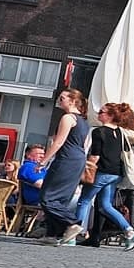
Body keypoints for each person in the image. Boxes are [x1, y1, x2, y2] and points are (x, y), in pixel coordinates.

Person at [72, 102, 134, 249]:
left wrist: (86, 170)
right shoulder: (120, 132)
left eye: (101, 112)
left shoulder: (99, 132)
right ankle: (130, 232)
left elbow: (95, 155)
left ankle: (72, 235)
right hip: (115, 173)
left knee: (84, 201)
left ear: (110, 116)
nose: (98, 114)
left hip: (102, 172)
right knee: (105, 205)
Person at [39, 88, 94, 242]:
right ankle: (52, 234)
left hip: (66, 158)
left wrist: (43, 161)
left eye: (62, 98)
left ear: (72, 101)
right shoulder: (83, 122)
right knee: (61, 198)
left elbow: (58, 142)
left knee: (47, 197)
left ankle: (73, 222)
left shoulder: (68, 118)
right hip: (78, 159)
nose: (59, 100)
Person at [17, 145, 49, 209]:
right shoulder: (28, 166)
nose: (42, 156)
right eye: (39, 154)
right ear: (28, 155)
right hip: (41, 201)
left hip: (49, 200)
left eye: (43, 154)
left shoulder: (41, 168)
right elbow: (41, 184)